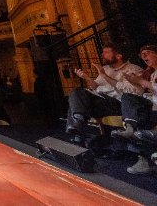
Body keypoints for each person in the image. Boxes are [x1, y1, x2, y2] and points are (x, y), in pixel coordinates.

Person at [66, 44, 143, 145]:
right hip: (102, 99)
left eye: (106, 52)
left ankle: (78, 133)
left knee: (78, 104)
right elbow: (95, 86)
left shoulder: (133, 69)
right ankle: (78, 121)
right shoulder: (106, 68)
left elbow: (132, 92)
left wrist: (104, 75)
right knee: (77, 93)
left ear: (118, 56)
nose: (102, 55)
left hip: (119, 103)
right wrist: (86, 77)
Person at [112, 44, 157, 174]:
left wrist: (140, 81)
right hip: (152, 107)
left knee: (140, 118)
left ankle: (145, 160)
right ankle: (131, 128)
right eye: (142, 54)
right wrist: (134, 82)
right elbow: (141, 93)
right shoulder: (151, 74)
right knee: (128, 98)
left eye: (147, 52)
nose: (144, 56)